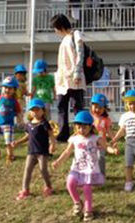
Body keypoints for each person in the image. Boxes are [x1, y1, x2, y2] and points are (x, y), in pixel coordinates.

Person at [52, 110, 105, 222]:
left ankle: (88, 210)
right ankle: (77, 202)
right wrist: (58, 161)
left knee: (87, 189)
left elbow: (105, 146)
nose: (81, 130)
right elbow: (67, 152)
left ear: (91, 127)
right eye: (79, 127)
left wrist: (111, 149)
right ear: (75, 127)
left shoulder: (95, 138)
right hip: (77, 167)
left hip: (89, 168)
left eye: (85, 127)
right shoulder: (74, 139)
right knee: (70, 183)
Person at [50, 14, 86, 142]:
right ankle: (63, 133)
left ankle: (81, 131)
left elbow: (80, 53)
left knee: (77, 107)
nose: (55, 31)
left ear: (60, 26)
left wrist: (77, 72)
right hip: (63, 80)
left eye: (55, 28)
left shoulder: (75, 34)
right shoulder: (64, 39)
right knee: (62, 107)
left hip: (74, 78)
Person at [13, 98, 56, 200]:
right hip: (31, 152)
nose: (35, 112)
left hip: (42, 152)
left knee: (43, 170)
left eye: (38, 110)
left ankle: (48, 187)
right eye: (33, 110)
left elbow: (51, 135)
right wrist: (18, 142)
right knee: (27, 170)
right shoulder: (29, 124)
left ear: (43, 111)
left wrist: (53, 144)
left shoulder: (44, 123)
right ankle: (25, 190)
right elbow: (27, 137)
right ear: (30, 112)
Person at [90, 93, 117, 176]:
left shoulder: (106, 119)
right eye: (95, 107)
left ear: (105, 108)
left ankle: (101, 174)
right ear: (91, 107)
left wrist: (114, 139)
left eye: (100, 108)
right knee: (90, 159)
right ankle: (91, 173)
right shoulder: (89, 117)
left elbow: (109, 130)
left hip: (101, 144)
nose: (97, 109)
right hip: (90, 143)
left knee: (100, 158)